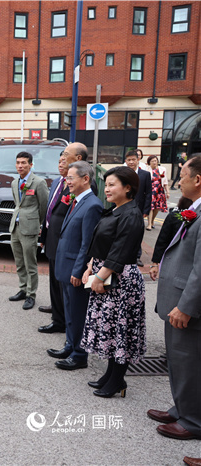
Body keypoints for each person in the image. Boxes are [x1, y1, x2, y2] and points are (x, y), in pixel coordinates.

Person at [147, 154, 201, 440]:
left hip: (186, 305)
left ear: (198, 179)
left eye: (183, 176)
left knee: (189, 362)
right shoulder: (193, 209)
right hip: (177, 300)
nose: (179, 181)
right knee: (179, 361)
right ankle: (182, 408)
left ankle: (193, 420)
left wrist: (186, 306)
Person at [80, 166, 146, 397]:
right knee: (109, 329)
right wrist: (91, 265)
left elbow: (120, 250)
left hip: (120, 280)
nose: (106, 189)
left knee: (120, 331)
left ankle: (117, 380)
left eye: (112, 185)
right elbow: (102, 243)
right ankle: (110, 375)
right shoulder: (117, 209)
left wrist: (100, 276)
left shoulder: (131, 214)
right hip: (107, 275)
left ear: (127, 188)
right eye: (106, 185)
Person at [48, 161, 103, 370]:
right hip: (66, 266)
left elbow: (87, 243)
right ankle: (70, 345)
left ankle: (79, 355)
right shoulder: (79, 201)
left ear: (85, 179)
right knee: (70, 311)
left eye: (71, 178)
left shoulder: (92, 205)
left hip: (75, 270)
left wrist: (79, 270)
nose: (67, 182)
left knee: (78, 313)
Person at [8, 151, 48, 310]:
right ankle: (23, 289)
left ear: (31, 165)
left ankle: (31, 295)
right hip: (15, 227)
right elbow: (18, 204)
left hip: (29, 228)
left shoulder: (39, 182)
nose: (20, 166)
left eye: (24, 163)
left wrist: (37, 224)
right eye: (18, 162)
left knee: (30, 263)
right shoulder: (14, 182)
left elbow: (44, 207)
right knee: (19, 262)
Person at [37, 154, 69, 333]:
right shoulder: (57, 182)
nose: (60, 164)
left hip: (63, 241)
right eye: (59, 162)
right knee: (54, 281)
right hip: (51, 238)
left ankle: (63, 320)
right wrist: (43, 236)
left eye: (64, 161)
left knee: (62, 282)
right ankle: (57, 314)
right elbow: (49, 211)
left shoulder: (77, 185)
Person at [149, 196, 193, 281]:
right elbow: (163, 240)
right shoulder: (175, 216)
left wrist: (155, 264)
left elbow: (162, 240)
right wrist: (155, 263)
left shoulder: (175, 215)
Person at [124, 150, 151, 266]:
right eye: (129, 160)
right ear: (125, 161)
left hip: (139, 208)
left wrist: (146, 210)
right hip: (124, 206)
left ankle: (137, 256)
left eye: (133, 160)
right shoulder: (121, 174)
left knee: (138, 232)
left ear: (138, 160)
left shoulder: (145, 174)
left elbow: (148, 193)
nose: (131, 162)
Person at [146, 155, 168, 230]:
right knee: (151, 207)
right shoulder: (147, 170)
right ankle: (149, 224)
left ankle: (152, 220)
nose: (154, 162)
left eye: (155, 161)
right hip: (151, 190)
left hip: (159, 191)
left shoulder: (162, 169)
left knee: (157, 207)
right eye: (152, 161)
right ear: (149, 162)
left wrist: (167, 192)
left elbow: (165, 181)